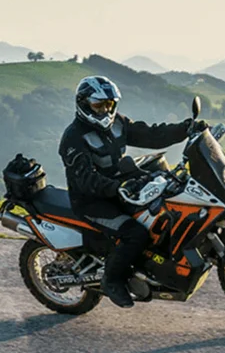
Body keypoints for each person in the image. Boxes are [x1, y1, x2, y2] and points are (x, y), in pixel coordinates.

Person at [58, 76, 202, 308]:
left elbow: (151, 135)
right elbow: (85, 180)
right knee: (135, 233)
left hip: (121, 189)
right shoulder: (74, 138)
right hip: (92, 201)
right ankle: (111, 280)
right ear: (84, 104)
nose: (106, 111)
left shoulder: (118, 123)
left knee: (164, 208)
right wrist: (117, 187)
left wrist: (186, 128)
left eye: (110, 105)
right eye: (99, 105)